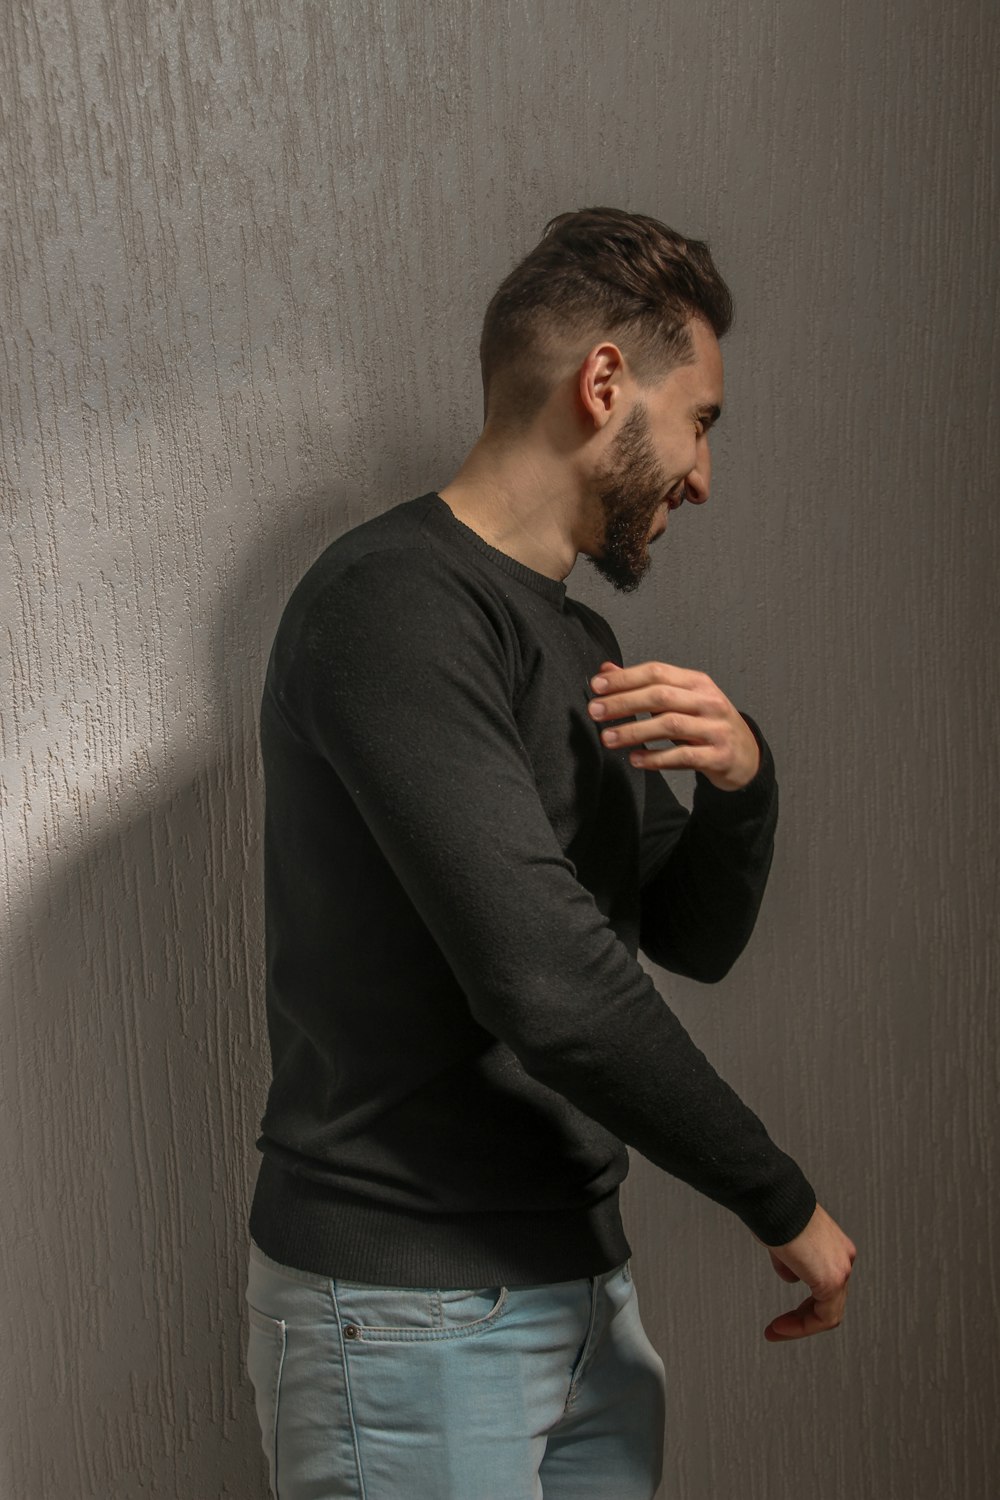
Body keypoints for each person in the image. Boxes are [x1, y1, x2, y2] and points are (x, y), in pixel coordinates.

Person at [242, 206, 857, 1500]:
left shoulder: (572, 650)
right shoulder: (393, 608)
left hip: (580, 1294)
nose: (703, 477)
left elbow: (687, 936)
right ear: (602, 384)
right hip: (412, 1317)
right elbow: (553, 984)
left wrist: (744, 778)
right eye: (701, 422)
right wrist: (780, 1199)